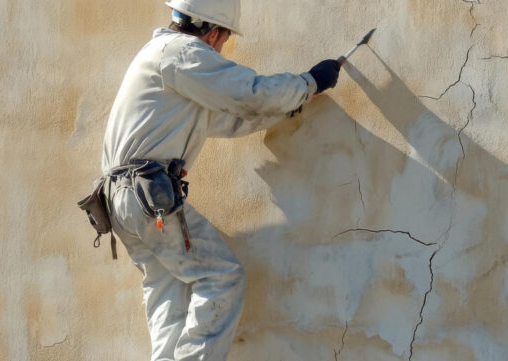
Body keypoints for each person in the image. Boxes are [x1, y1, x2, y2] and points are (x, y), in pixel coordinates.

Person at [99, 0, 341, 360]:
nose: (223, 48)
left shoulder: (164, 60)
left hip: (124, 199)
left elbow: (230, 117)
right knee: (222, 279)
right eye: (225, 39)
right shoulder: (184, 54)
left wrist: (291, 105)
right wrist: (309, 83)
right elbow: (249, 91)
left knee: (169, 293)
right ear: (213, 33)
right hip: (147, 194)